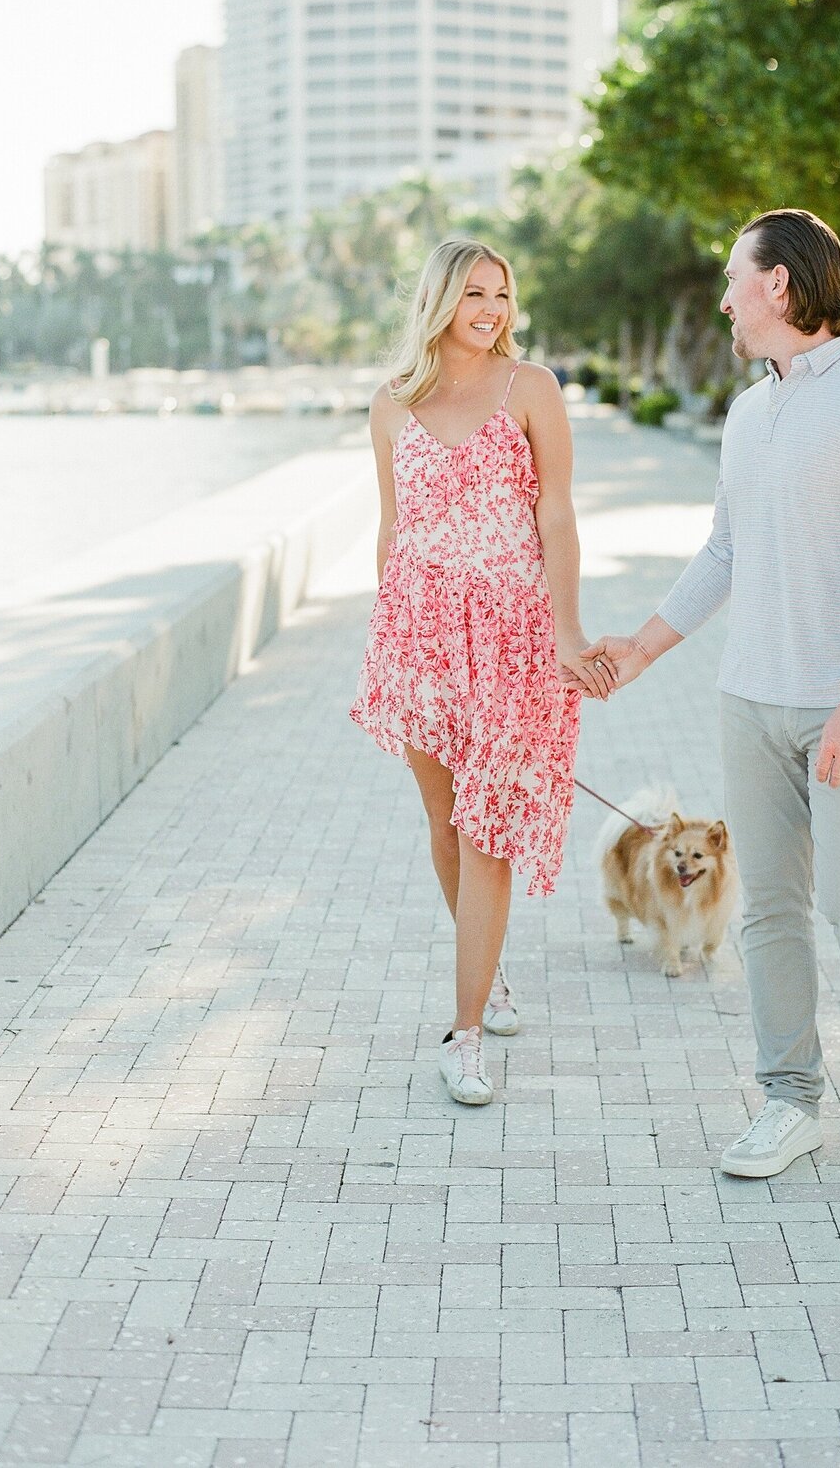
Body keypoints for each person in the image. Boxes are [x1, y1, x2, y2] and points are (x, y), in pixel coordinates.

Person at [584, 208, 840, 1177]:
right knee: (768, 911)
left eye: (735, 281)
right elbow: (725, 551)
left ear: (779, 286)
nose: (726, 300)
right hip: (753, 697)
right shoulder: (753, 410)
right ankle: (789, 1097)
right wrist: (642, 651)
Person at [350, 237, 614, 1107]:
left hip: (511, 633)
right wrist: (388, 632)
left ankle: (463, 1036)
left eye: (502, 293)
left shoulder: (530, 387)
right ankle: (488, 975)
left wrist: (567, 632)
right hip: (420, 635)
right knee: (443, 818)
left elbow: (558, 514)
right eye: (474, 294)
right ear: (439, 302)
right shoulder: (391, 405)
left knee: (487, 832)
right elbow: (392, 531)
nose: (492, 309)